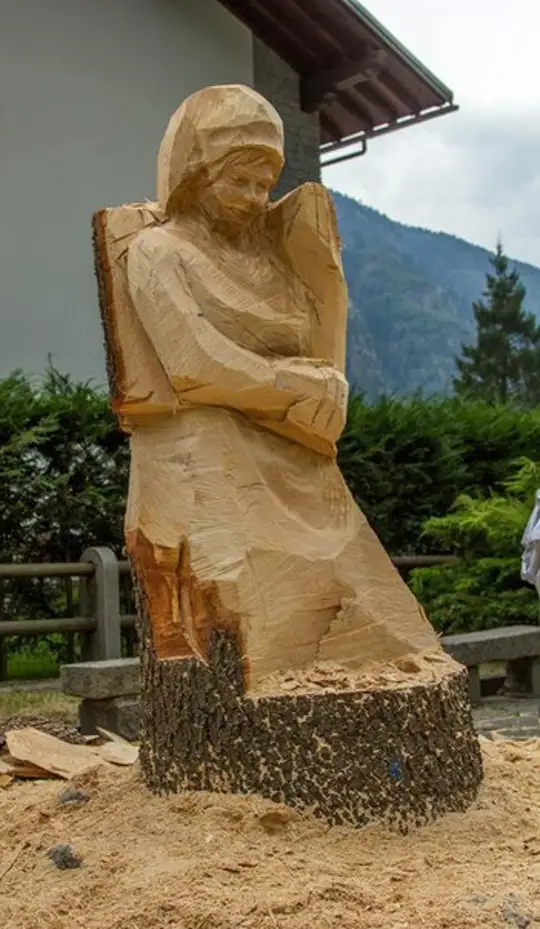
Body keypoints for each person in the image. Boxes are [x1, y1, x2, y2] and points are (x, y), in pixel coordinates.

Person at [119, 84, 443, 690]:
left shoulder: (273, 260)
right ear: (195, 171)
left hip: (295, 446)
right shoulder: (158, 252)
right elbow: (194, 363)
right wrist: (292, 383)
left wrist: (327, 376)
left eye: (264, 183)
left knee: (364, 590)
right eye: (237, 181)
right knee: (240, 569)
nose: (253, 198)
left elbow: (313, 339)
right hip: (210, 455)